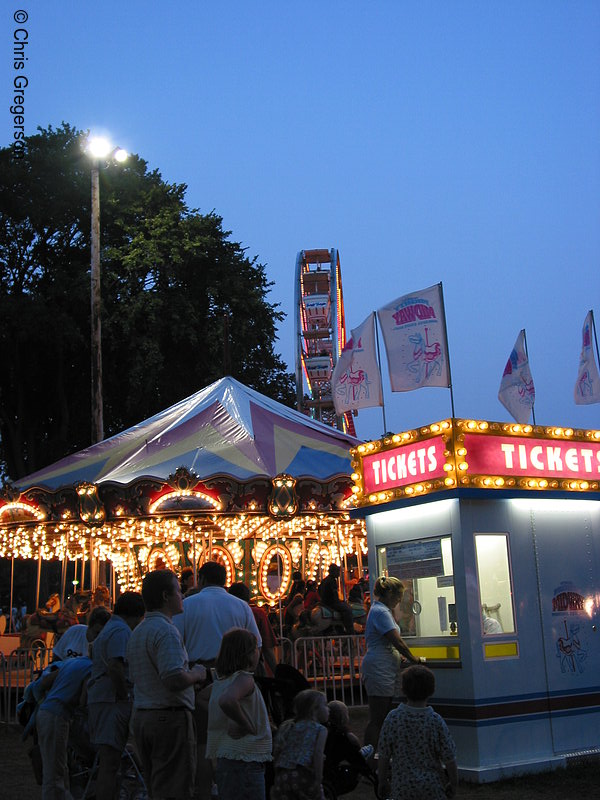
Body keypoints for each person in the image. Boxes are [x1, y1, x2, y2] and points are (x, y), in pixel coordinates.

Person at [174, 561, 262, 800]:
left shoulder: (187, 606)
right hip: (234, 676)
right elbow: (257, 644)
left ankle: (204, 791)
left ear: (200, 579)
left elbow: (176, 641)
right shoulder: (241, 606)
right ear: (225, 579)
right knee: (234, 736)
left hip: (201, 675)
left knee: (203, 741)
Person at [127, 570, 207, 800]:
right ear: (165, 596)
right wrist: (197, 675)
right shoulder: (166, 631)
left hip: (144, 714)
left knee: (156, 784)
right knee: (175, 785)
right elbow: (173, 678)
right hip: (168, 717)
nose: (182, 596)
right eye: (178, 591)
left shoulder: (139, 631)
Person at [36, 606, 110, 800]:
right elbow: (85, 699)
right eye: (96, 632)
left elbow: (45, 680)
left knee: (59, 767)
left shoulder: (71, 664)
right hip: (59, 714)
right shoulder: (89, 666)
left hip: (51, 710)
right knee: (55, 771)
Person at [87, 590, 145, 800]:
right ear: (136, 615)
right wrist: (123, 695)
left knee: (111, 761)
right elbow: (115, 666)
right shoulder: (121, 631)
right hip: (111, 700)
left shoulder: (111, 628)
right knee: (110, 762)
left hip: (104, 698)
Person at [206, 628, 272, 800]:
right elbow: (227, 701)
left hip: (226, 757)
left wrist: (226, 718)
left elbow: (200, 700)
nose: (259, 652)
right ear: (248, 654)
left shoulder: (221, 682)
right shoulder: (244, 679)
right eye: (256, 648)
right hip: (246, 760)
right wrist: (246, 724)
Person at [378, 665, 458, 800]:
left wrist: (382, 780)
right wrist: (454, 783)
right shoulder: (435, 721)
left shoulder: (393, 718)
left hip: (402, 788)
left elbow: (384, 755)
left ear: (403, 689)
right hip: (432, 787)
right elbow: (449, 758)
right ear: (431, 690)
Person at [361, 576, 420, 749]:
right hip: (380, 668)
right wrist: (413, 659)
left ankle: (379, 754)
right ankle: (371, 755)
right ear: (388, 594)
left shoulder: (381, 610)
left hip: (384, 666)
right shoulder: (381, 612)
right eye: (398, 595)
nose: (400, 600)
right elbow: (397, 641)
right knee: (378, 717)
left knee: (384, 714)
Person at [271, 689, 329, 800]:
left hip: (282, 776)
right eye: (325, 705)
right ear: (314, 709)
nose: (328, 709)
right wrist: (318, 778)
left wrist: (276, 775)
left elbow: (278, 751)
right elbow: (318, 754)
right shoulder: (320, 729)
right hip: (303, 775)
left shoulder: (288, 727)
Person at [228, 582, 278, 676]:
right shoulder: (258, 613)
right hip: (251, 664)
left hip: (229, 663)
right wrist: (276, 672)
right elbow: (267, 647)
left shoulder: (225, 614)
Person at [318, 563, 354, 635]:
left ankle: (340, 628)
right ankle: (349, 629)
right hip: (331, 603)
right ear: (333, 572)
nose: (339, 574)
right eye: (338, 572)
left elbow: (319, 591)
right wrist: (339, 601)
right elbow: (334, 595)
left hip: (324, 602)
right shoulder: (332, 581)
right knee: (348, 609)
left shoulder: (325, 580)